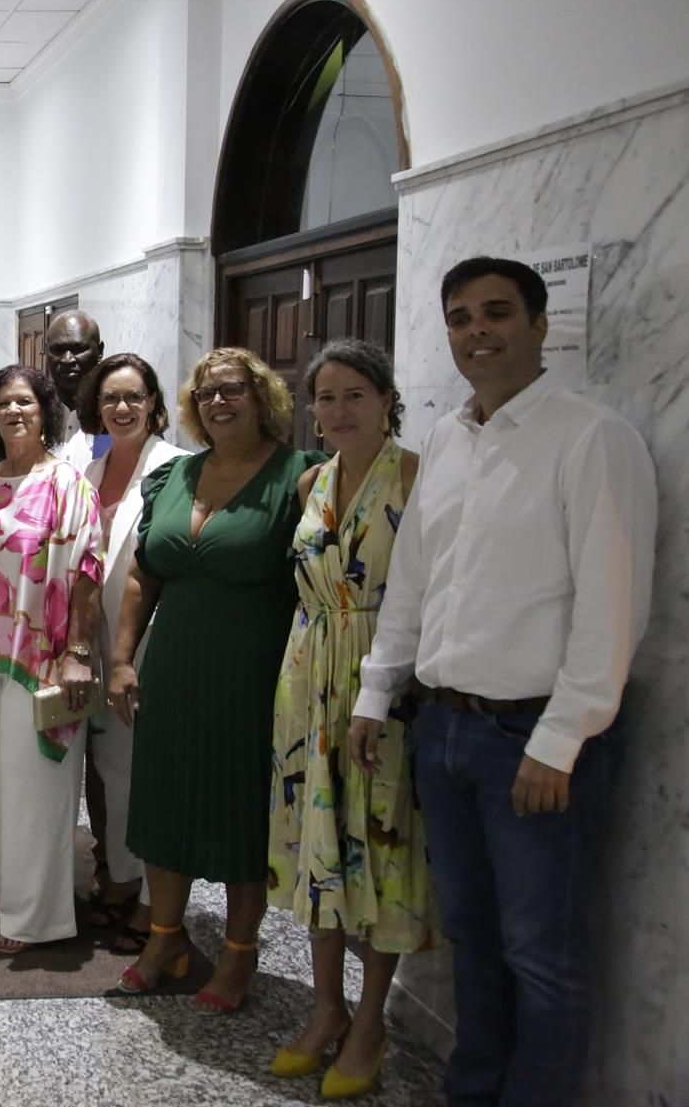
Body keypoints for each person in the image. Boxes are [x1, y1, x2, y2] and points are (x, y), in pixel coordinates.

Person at [355, 258, 656, 1107]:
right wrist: (377, 689)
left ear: (538, 325)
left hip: (534, 739)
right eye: (459, 317)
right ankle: (472, 1091)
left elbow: (611, 607)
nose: (475, 331)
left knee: (540, 955)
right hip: (445, 728)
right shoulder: (450, 440)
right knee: (471, 938)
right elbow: (413, 581)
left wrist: (559, 740)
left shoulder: (589, 438)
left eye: (495, 312)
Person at [107, 347, 319, 1012]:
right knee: (163, 802)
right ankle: (165, 939)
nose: (218, 402)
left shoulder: (299, 476)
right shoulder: (173, 476)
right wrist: (121, 658)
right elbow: (142, 574)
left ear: (262, 397)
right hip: (172, 666)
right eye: (205, 393)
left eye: (232, 390)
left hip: (252, 673)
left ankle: (237, 951)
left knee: (239, 812)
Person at [266, 339, 432, 1097]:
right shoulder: (312, 479)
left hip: (380, 681)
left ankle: (371, 1021)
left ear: (386, 399)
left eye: (354, 395)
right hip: (308, 676)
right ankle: (324, 1005)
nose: (337, 411)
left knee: (377, 845)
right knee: (318, 843)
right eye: (325, 397)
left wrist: (386, 684)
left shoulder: (415, 475)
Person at [0, 364, 104, 954]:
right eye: (4, 403)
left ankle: (36, 918)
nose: (14, 412)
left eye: (26, 403)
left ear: (45, 411)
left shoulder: (68, 484)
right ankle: (4, 898)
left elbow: (87, 572)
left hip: (41, 657)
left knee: (36, 790)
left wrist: (77, 653)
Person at [75, 353, 188, 954]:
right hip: (96, 641)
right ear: (97, 409)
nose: (122, 408)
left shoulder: (177, 469)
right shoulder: (88, 473)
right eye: (111, 398)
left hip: (151, 638)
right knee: (113, 765)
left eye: (133, 397)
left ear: (153, 405)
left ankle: (154, 903)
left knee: (151, 770)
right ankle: (122, 876)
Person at [0, 309, 105, 469]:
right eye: (58, 350)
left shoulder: (115, 416)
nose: (67, 359)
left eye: (78, 349)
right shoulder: (21, 416)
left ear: (99, 351)